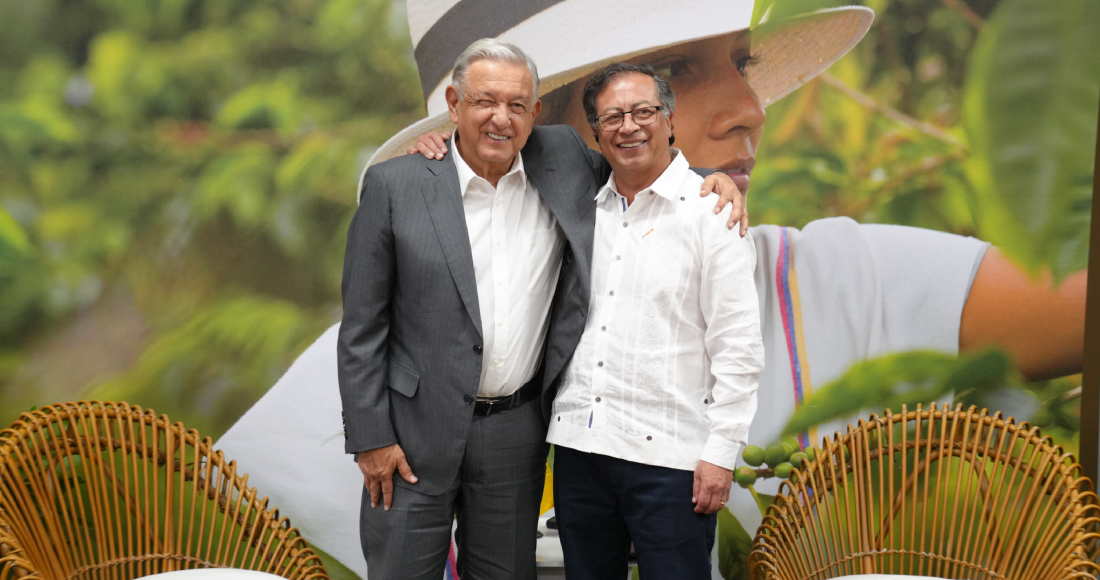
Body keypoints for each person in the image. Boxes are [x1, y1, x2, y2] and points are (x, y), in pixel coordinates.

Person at [216, 0, 1086, 574]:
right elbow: (195, 538)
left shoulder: (823, 287)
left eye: (736, 59)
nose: (749, 104)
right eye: (677, 71)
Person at [337, 38, 740, 579]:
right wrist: (371, 439)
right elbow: (363, 328)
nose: (500, 118)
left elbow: (643, 171)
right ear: (454, 104)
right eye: (484, 102)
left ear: (535, 113)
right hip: (411, 436)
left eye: (516, 105)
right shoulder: (397, 185)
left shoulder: (566, 160)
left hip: (514, 434)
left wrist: (710, 182)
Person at [545, 62, 764, 579]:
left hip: (670, 460)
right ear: (595, 134)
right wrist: (434, 149)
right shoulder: (582, 209)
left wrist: (720, 453)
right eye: (613, 117)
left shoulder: (713, 213)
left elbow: (738, 347)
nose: (629, 126)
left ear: (669, 120)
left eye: (644, 111)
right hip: (580, 447)